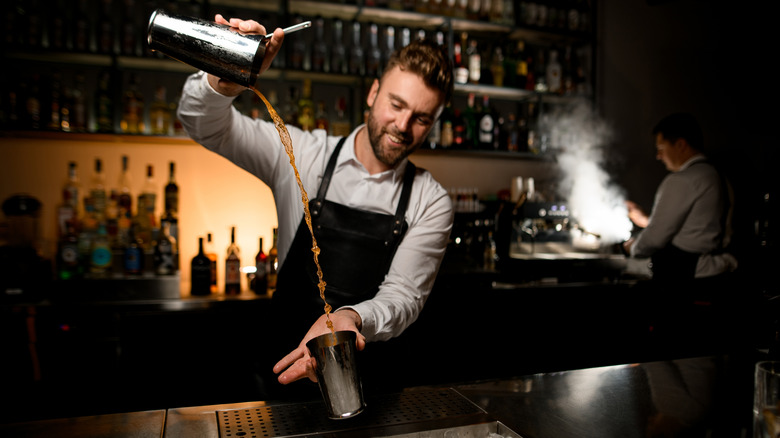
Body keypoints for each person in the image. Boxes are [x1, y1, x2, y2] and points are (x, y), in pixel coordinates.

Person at [177, 15, 454, 398]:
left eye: (421, 118)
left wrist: (349, 317)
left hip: (374, 389)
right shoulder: (304, 153)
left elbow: (404, 296)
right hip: (284, 382)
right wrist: (225, 77)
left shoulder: (431, 200)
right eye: (396, 104)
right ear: (373, 93)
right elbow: (201, 123)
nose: (402, 126)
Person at [622, 112, 738, 355]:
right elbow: (697, 227)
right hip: (717, 278)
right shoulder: (718, 176)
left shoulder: (682, 180)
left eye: (661, 147)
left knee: (674, 366)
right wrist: (646, 220)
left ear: (681, 144)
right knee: (705, 364)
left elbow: (654, 240)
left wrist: (632, 247)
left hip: (687, 287)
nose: (658, 155)